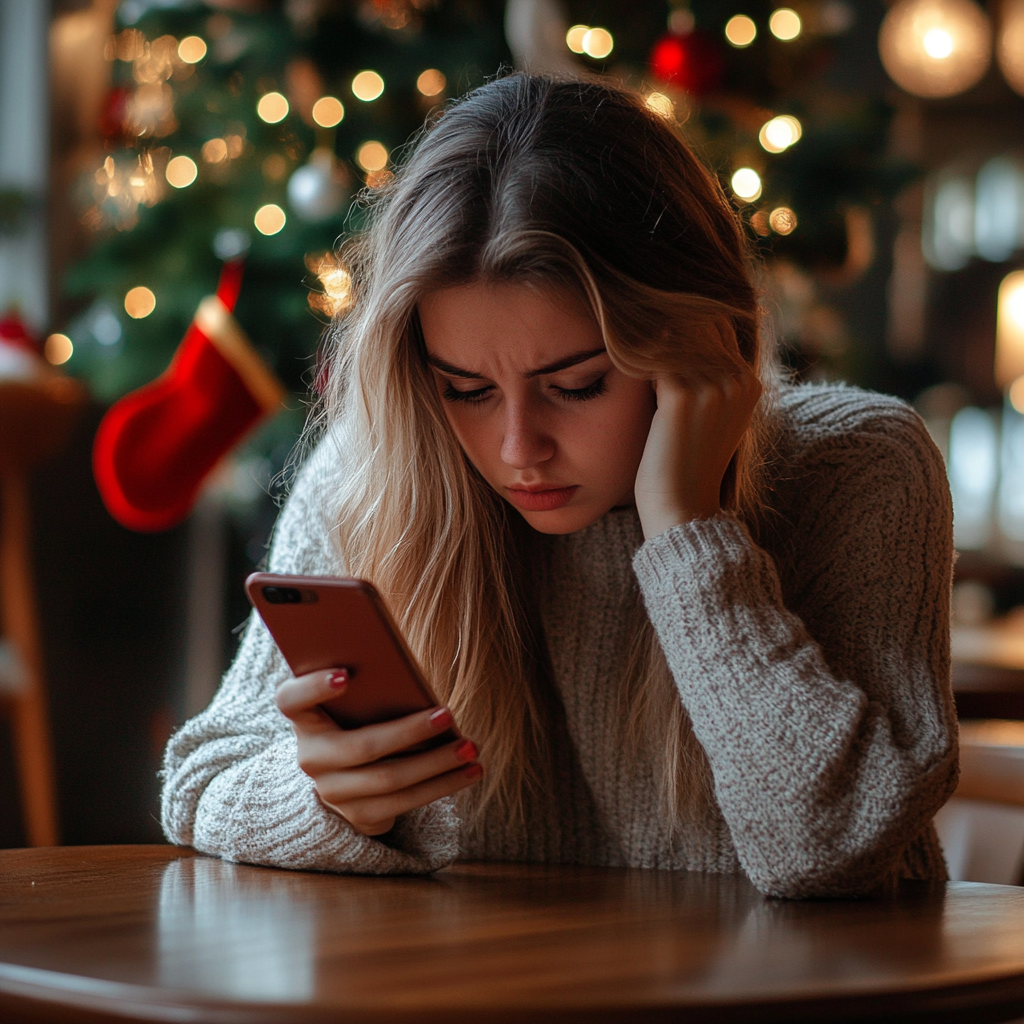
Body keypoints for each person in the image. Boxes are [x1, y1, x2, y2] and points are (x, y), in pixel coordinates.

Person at [161, 73, 958, 899]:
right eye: (466, 389)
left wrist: (687, 531)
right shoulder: (380, 474)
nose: (518, 449)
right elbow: (197, 783)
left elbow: (831, 845)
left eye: (577, 385)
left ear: (701, 344)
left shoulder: (859, 464)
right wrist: (329, 798)